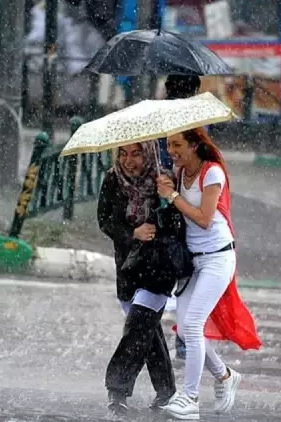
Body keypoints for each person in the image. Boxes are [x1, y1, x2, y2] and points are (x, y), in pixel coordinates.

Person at [155, 127, 262, 420]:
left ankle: (189, 399)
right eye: (168, 145)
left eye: (177, 145)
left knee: (192, 327)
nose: (172, 151)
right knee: (187, 328)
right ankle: (225, 375)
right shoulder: (179, 173)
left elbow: (203, 218)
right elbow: (178, 212)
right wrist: (167, 191)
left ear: (195, 145)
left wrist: (173, 195)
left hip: (218, 259)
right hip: (193, 263)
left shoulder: (212, 172)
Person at [98, 140, 183, 416]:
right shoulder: (112, 179)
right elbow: (105, 220)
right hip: (127, 267)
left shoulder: (164, 178)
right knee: (147, 331)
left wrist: (165, 201)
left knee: (138, 326)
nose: (128, 160)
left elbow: (177, 225)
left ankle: (117, 389)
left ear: (147, 153)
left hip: (158, 267)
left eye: (136, 153)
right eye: (123, 153)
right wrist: (132, 233)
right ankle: (167, 391)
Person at [161, 74, 202, 361]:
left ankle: (153, 324)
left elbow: (162, 157)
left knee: (168, 264)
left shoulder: (158, 116)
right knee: (188, 270)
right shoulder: (198, 122)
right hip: (189, 196)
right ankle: (184, 338)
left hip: (165, 197)